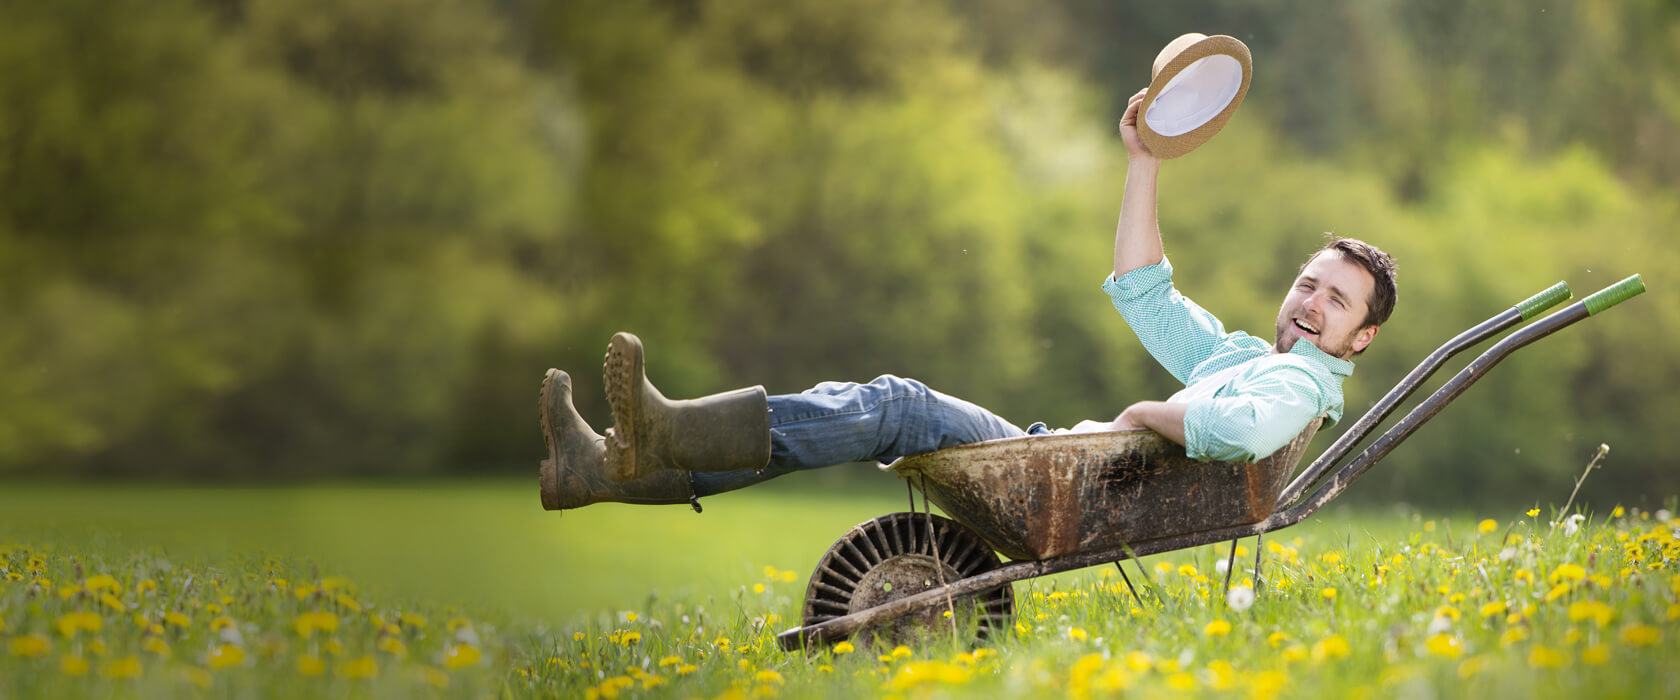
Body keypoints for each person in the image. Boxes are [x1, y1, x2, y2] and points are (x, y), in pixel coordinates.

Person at [538, 88, 1398, 512]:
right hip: (1065, 469)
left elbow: (1239, 432)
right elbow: (1147, 295)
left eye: (1338, 302)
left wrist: (1143, 410)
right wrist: (1145, 164)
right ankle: (611, 469)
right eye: (1309, 283)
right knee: (881, 412)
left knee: (896, 404)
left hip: (1071, 489)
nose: (1313, 303)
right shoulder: (1247, 360)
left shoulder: (1296, 388)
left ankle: (664, 434)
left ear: (1359, 339)